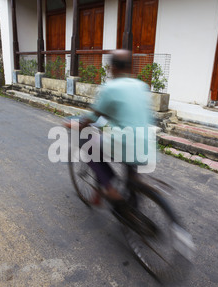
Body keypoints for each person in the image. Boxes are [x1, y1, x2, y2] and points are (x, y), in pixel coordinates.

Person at [65, 49, 154, 225]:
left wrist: (73, 125)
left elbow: (92, 118)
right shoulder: (142, 86)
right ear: (130, 67)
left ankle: (110, 188)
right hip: (147, 144)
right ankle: (132, 195)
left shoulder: (110, 88)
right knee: (131, 155)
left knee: (87, 144)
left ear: (112, 67)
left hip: (123, 142)